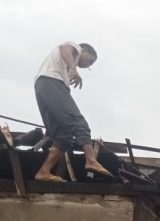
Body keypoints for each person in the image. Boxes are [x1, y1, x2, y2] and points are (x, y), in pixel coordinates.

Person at [34, 42, 111, 181]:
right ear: (84, 51)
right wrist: (73, 68)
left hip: (43, 87)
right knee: (79, 122)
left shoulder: (60, 65)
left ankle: (43, 172)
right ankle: (91, 160)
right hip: (51, 82)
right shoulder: (75, 47)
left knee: (64, 137)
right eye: (90, 61)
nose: (88, 65)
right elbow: (64, 48)